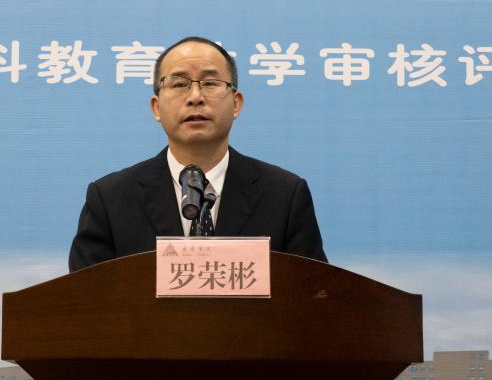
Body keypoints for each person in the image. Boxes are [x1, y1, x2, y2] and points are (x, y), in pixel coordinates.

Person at [68, 36, 327, 272]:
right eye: (179, 84)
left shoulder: (284, 195)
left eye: (210, 83)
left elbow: (314, 294)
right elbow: (85, 299)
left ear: (236, 104)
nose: (195, 97)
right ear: (156, 107)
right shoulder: (110, 199)